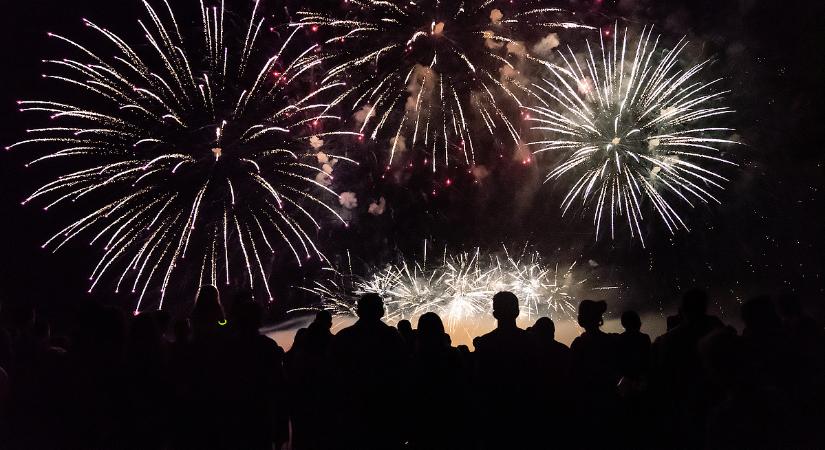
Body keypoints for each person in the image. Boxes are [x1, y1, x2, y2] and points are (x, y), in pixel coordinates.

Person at [329, 294, 406, 450]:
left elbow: (332, 377)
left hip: (352, 413)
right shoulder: (393, 338)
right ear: (381, 311)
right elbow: (403, 376)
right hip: (386, 413)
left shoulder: (343, 337)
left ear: (358, 311)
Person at [473, 292, 539, 449]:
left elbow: (479, 383)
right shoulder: (531, 342)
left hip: (494, 416)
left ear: (495, 314)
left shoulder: (485, 343)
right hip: (525, 416)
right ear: (517, 312)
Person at [408, 312, 468, 450]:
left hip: (423, 419)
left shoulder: (415, 359)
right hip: (449, 417)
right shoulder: (453, 355)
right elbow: (461, 386)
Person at [570, 299, 621, 449]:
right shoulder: (611, 342)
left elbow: (573, 375)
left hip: (586, 405)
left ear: (581, 320)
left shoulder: (579, 344)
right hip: (609, 402)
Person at [286, 310, 335, 450]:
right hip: (324, 399)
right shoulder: (333, 343)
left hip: (300, 399)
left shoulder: (300, 347)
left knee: (302, 435)